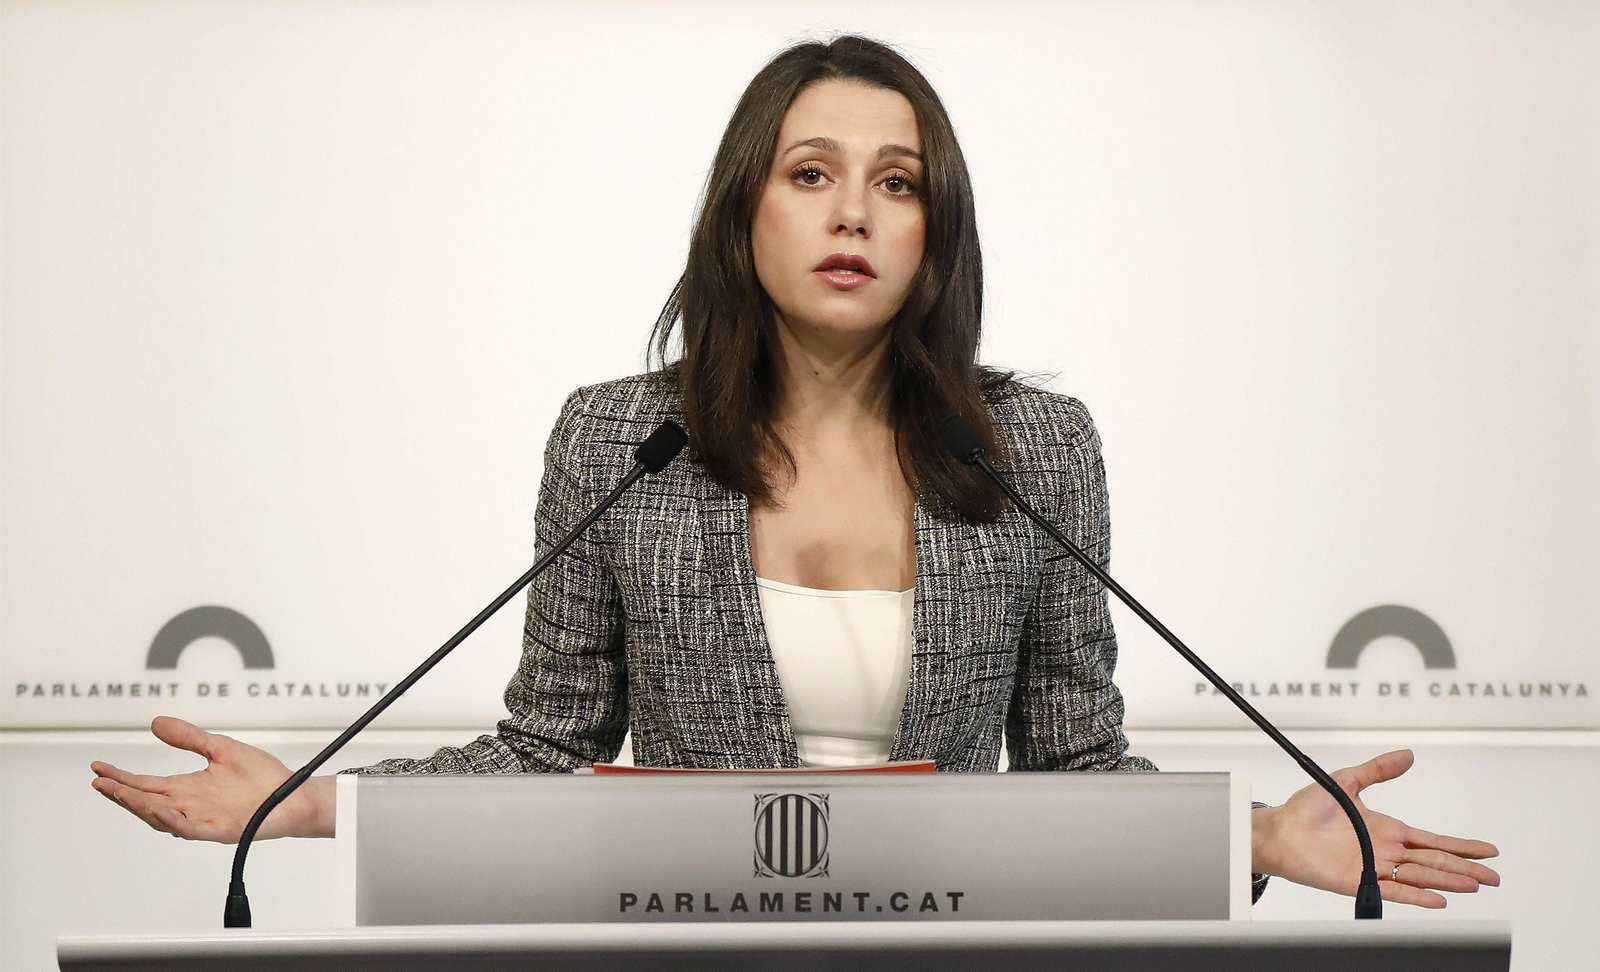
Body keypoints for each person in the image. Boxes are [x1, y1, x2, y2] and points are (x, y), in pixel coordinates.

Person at [89, 34, 1499, 910]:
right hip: (679, 953)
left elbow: (1074, 764)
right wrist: (303, 803)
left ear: (934, 230)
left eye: (898, 183)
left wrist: (1253, 835)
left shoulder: (1033, 452)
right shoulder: (614, 440)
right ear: (743, 208)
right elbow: (542, 752)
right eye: (812, 172)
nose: (855, 213)